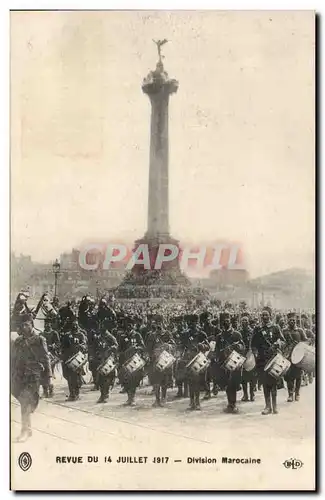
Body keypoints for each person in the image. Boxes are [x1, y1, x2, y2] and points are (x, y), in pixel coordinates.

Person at [11, 319, 52, 442]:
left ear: (32, 325)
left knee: (25, 401)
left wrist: (49, 378)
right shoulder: (18, 340)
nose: (24, 327)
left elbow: (46, 358)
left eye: (27, 324)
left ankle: (25, 430)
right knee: (24, 400)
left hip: (33, 375)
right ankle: (27, 428)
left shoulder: (39, 340)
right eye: (22, 324)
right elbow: (13, 358)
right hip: (19, 375)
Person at [251, 309, 285, 415]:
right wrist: (255, 353)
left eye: (266, 315)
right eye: (263, 315)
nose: (264, 317)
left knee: (273, 383)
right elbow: (253, 344)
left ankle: (275, 406)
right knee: (265, 383)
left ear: (270, 316)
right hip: (262, 359)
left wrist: (277, 344)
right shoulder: (257, 329)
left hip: (273, 358)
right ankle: (267, 406)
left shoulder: (275, 327)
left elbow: (283, 340)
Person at [215, 312, 245, 414]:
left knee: (234, 383)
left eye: (227, 320)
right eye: (223, 321)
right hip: (224, 363)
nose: (225, 322)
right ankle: (229, 403)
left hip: (235, 362)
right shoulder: (219, 336)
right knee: (227, 384)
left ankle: (234, 404)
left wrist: (237, 346)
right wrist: (220, 354)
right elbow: (217, 350)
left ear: (230, 321)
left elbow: (242, 347)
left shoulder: (237, 334)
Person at [282, 312, 308, 402]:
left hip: (298, 356)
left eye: (293, 320)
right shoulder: (284, 331)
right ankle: (290, 394)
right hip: (288, 356)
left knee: (298, 376)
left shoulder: (300, 330)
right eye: (290, 320)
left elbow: (306, 341)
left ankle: (297, 393)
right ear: (287, 321)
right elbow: (281, 342)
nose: (292, 321)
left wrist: (301, 345)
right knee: (288, 376)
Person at [61, 321, 87, 401]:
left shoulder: (81, 335)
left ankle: (76, 394)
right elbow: (63, 347)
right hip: (68, 358)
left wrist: (81, 346)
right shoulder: (66, 335)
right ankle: (72, 393)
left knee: (76, 377)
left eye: (76, 325)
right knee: (68, 376)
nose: (74, 327)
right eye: (73, 325)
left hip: (77, 358)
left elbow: (84, 345)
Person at [93, 329, 118, 403]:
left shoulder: (110, 337)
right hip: (100, 360)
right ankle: (102, 395)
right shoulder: (99, 337)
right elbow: (95, 347)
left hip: (108, 360)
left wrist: (111, 348)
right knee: (100, 378)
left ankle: (106, 394)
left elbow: (116, 346)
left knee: (107, 378)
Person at [239, 315, 257, 402]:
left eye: (245, 321)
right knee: (243, 378)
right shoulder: (239, 332)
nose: (244, 322)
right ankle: (245, 394)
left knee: (252, 376)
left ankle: (252, 394)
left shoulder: (252, 331)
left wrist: (253, 352)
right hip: (242, 355)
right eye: (242, 321)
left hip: (250, 355)